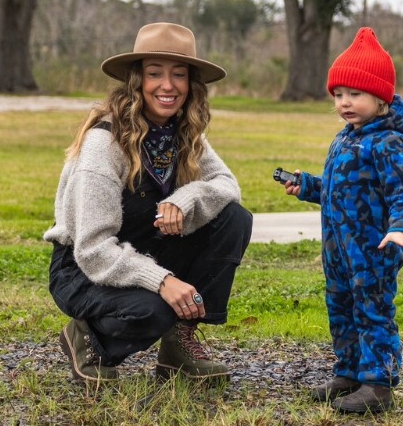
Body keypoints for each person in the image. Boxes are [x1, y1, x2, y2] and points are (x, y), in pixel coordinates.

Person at [47, 22, 252, 387]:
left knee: (234, 219)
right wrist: (163, 281)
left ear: (192, 85)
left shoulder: (185, 134)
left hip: (142, 251)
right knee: (154, 311)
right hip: (83, 266)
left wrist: (185, 199)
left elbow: (227, 185)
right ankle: (88, 341)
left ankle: (179, 345)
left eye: (179, 75)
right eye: (155, 73)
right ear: (136, 80)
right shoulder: (104, 144)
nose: (168, 85)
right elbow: (92, 250)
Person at [280, 27, 403, 415]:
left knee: (371, 308)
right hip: (338, 248)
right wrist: (308, 186)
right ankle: (348, 373)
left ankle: (378, 383)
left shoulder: (388, 141)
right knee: (341, 305)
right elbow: (335, 187)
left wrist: (401, 228)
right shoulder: (345, 138)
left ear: (380, 98)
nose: (344, 103)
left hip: (373, 248)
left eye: (355, 94)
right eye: (338, 95)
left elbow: (402, 192)